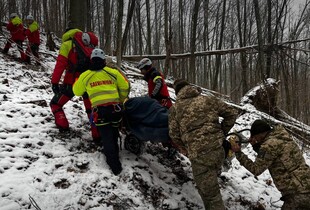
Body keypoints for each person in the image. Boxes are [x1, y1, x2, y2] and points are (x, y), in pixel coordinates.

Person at [168, 79, 238, 210]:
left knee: (211, 197)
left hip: (200, 157)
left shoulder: (175, 109)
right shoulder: (208, 99)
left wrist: (185, 148)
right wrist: (221, 132)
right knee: (209, 188)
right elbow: (232, 113)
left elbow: (174, 135)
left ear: (177, 92)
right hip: (219, 150)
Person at [73, 48, 130, 175]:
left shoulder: (85, 75)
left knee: (106, 137)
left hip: (100, 113)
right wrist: (120, 100)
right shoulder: (113, 72)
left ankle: (114, 165)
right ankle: (115, 155)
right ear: (104, 60)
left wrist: (79, 77)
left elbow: (76, 91)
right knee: (114, 133)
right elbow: (125, 86)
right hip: (116, 110)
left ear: (91, 60)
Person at [232, 119, 310, 210]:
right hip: (305, 185)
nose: (255, 139)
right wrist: (256, 146)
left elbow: (256, 169)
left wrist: (238, 153)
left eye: (255, 137)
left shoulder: (269, 145)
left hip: (297, 193)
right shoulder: (282, 136)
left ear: (259, 134)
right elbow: (273, 155)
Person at [50, 28, 100, 141]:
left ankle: (63, 126)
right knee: (91, 110)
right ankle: (98, 135)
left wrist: (54, 82)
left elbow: (60, 64)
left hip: (71, 81)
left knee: (55, 104)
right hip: (88, 81)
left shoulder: (67, 44)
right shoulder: (88, 43)